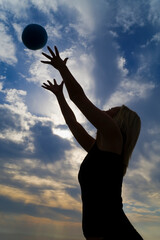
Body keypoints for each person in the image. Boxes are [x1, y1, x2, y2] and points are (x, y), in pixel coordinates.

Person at [41, 46, 143, 240]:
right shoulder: (99, 149)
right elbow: (73, 123)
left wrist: (62, 68)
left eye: (112, 110)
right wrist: (59, 95)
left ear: (119, 121)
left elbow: (79, 97)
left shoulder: (114, 135)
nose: (105, 111)